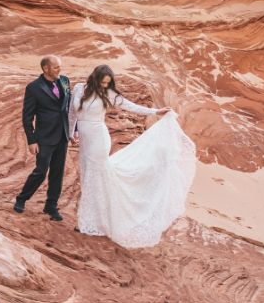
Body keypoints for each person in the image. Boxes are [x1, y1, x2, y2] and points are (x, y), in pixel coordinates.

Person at [69, 64, 196, 248]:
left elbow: (130, 106)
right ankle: (95, 219)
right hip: (85, 140)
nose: (105, 86)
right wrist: (71, 131)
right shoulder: (79, 88)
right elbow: (72, 113)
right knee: (88, 175)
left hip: (98, 139)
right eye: (103, 82)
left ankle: (88, 222)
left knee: (93, 178)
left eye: (107, 83)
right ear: (95, 78)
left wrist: (155, 112)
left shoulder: (109, 94)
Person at [15, 55, 71, 220]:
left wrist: (73, 130)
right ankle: (21, 199)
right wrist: (31, 140)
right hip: (44, 137)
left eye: (60, 67)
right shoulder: (33, 87)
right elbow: (27, 117)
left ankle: (51, 206)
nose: (59, 70)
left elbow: (69, 108)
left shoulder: (66, 81)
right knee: (41, 171)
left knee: (58, 172)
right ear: (45, 69)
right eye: (56, 68)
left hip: (62, 135)